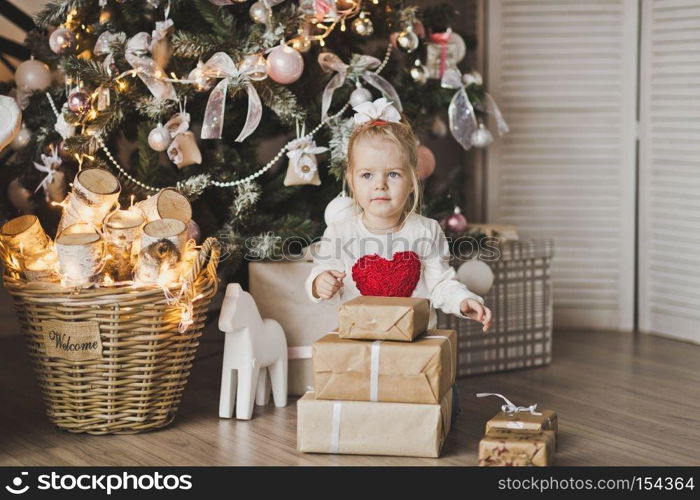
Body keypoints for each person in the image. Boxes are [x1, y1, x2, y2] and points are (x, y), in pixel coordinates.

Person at [305, 97, 493, 422]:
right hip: (360, 342)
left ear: (412, 179)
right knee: (360, 399)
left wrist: (463, 300)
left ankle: (435, 399)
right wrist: (320, 283)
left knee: (418, 403)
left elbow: (441, 282)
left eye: (392, 174)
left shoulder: (426, 231)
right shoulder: (341, 231)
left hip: (413, 346)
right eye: (367, 175)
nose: (379, 185)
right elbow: (322, 271)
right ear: (351, 180)